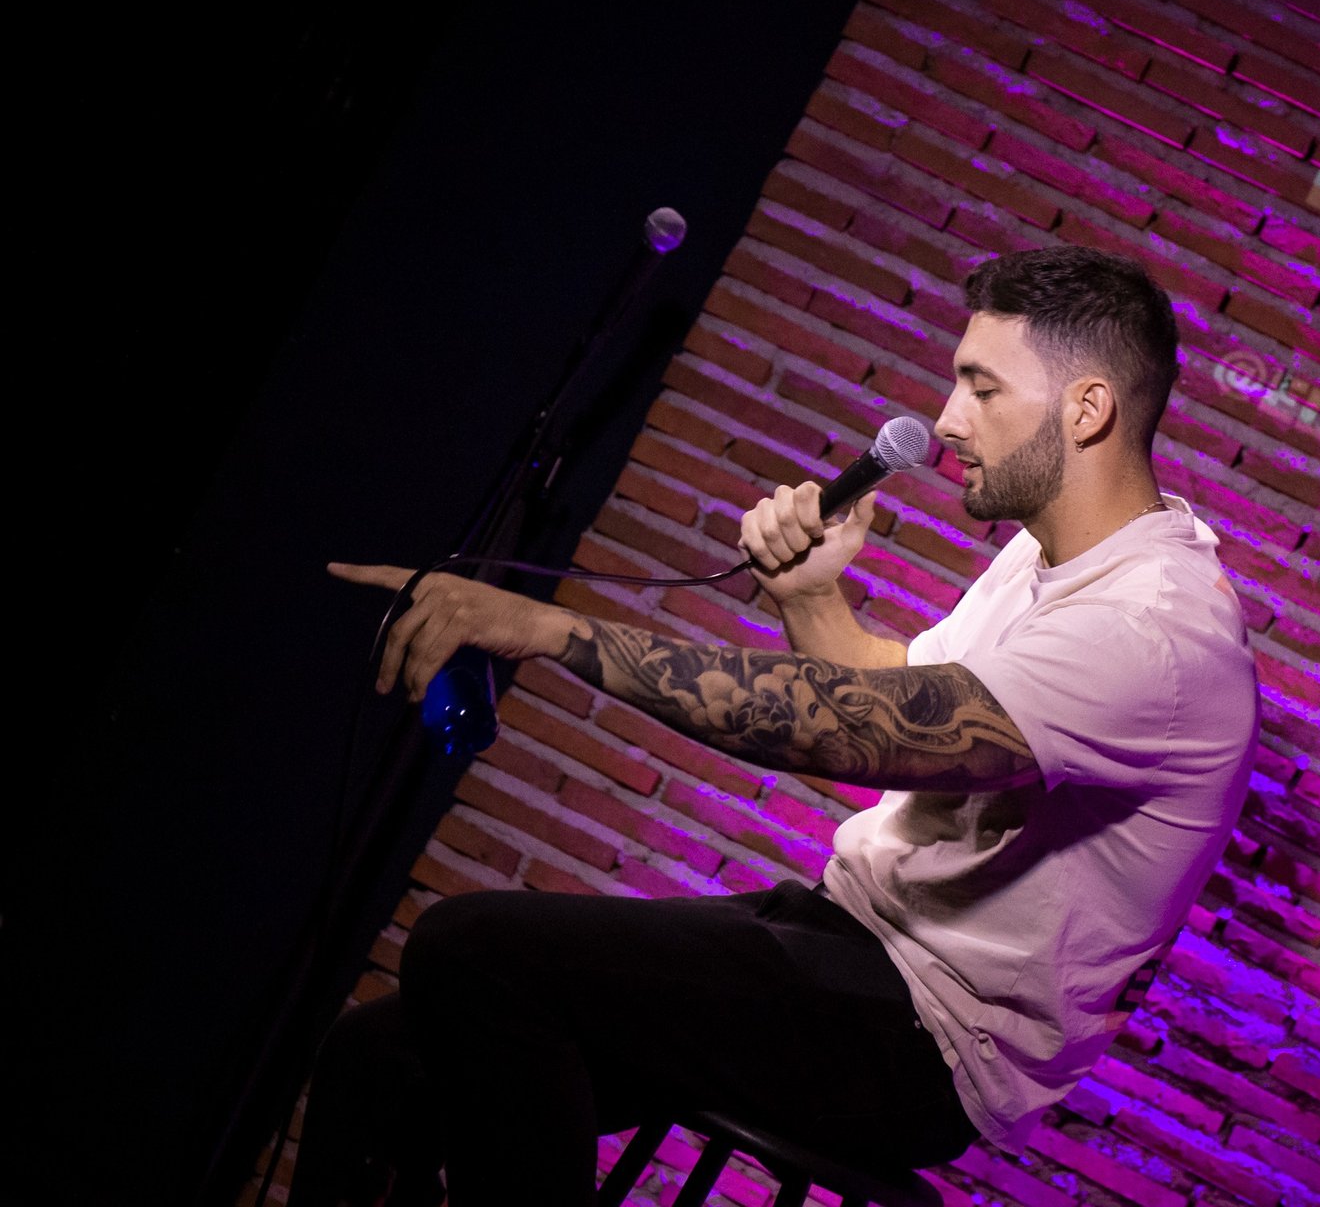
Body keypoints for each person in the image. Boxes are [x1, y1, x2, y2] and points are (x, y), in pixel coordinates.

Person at [298, 245, 1258, 1206]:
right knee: (377, 1059)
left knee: (476, 948)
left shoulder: (1152, 631)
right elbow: (903, 695)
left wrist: (549, 630)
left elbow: (875, 736)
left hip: (926, 1037)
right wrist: (811, 598)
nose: (945, 421)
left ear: (1086, 410)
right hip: (840, 937)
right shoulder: (1047, 556)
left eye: (980, 387)